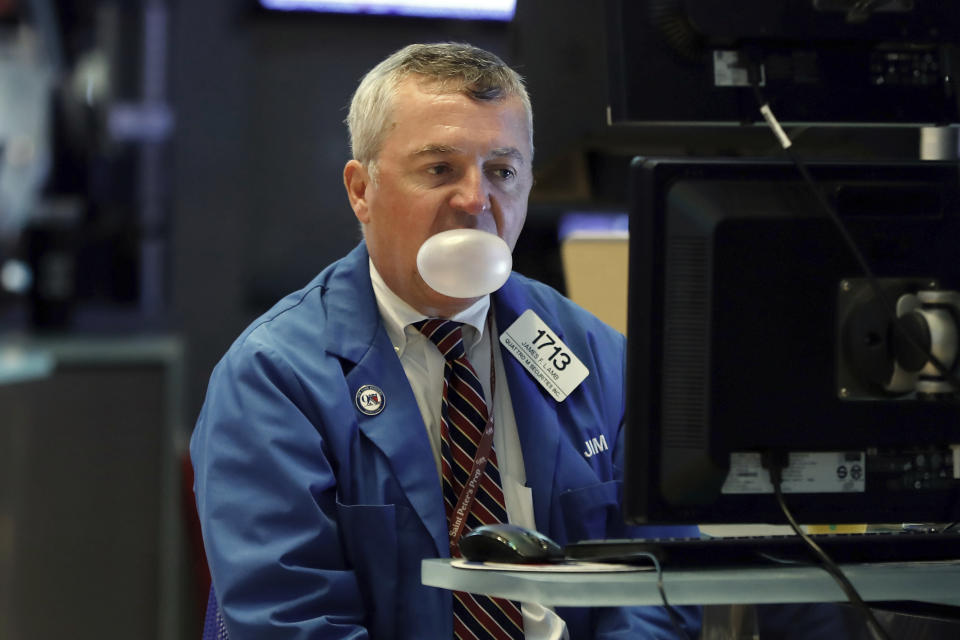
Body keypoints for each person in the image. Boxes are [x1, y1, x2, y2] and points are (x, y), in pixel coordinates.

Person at [191, 42, 702, 639]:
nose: (477, 200)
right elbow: (293, 621)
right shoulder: (274, 378)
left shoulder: (595, 356)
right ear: (362, 190)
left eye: (503, 172)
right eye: (440, 170)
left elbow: (659, 583)